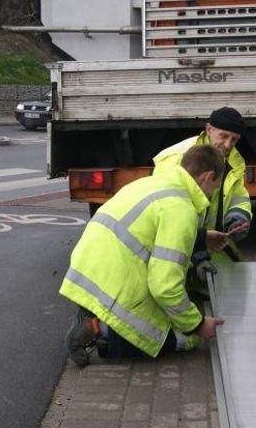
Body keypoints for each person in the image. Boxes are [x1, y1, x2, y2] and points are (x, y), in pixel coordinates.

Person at [62, 144, 228, 366]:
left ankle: (94, 314)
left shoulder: (154, 182)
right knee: (180, 339)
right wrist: (197, 325)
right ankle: (102, 331)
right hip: (115, 280)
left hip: (89, 268)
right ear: (207, 177)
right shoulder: (181, 209)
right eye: (215, 187)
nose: (213, 193)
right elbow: (165, 287)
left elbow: (145, 232)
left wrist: (200, 237)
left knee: (169, 320)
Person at [152, 107, 252, 265]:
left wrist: (238, 217)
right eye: (224, 136)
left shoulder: (234, 161)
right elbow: (164, 209)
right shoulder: (176, 157)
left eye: (234, 139)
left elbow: (239, 196)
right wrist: (199, 238)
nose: (227, 144)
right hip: (180, 245)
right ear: (209, 129)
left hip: (212, 246)